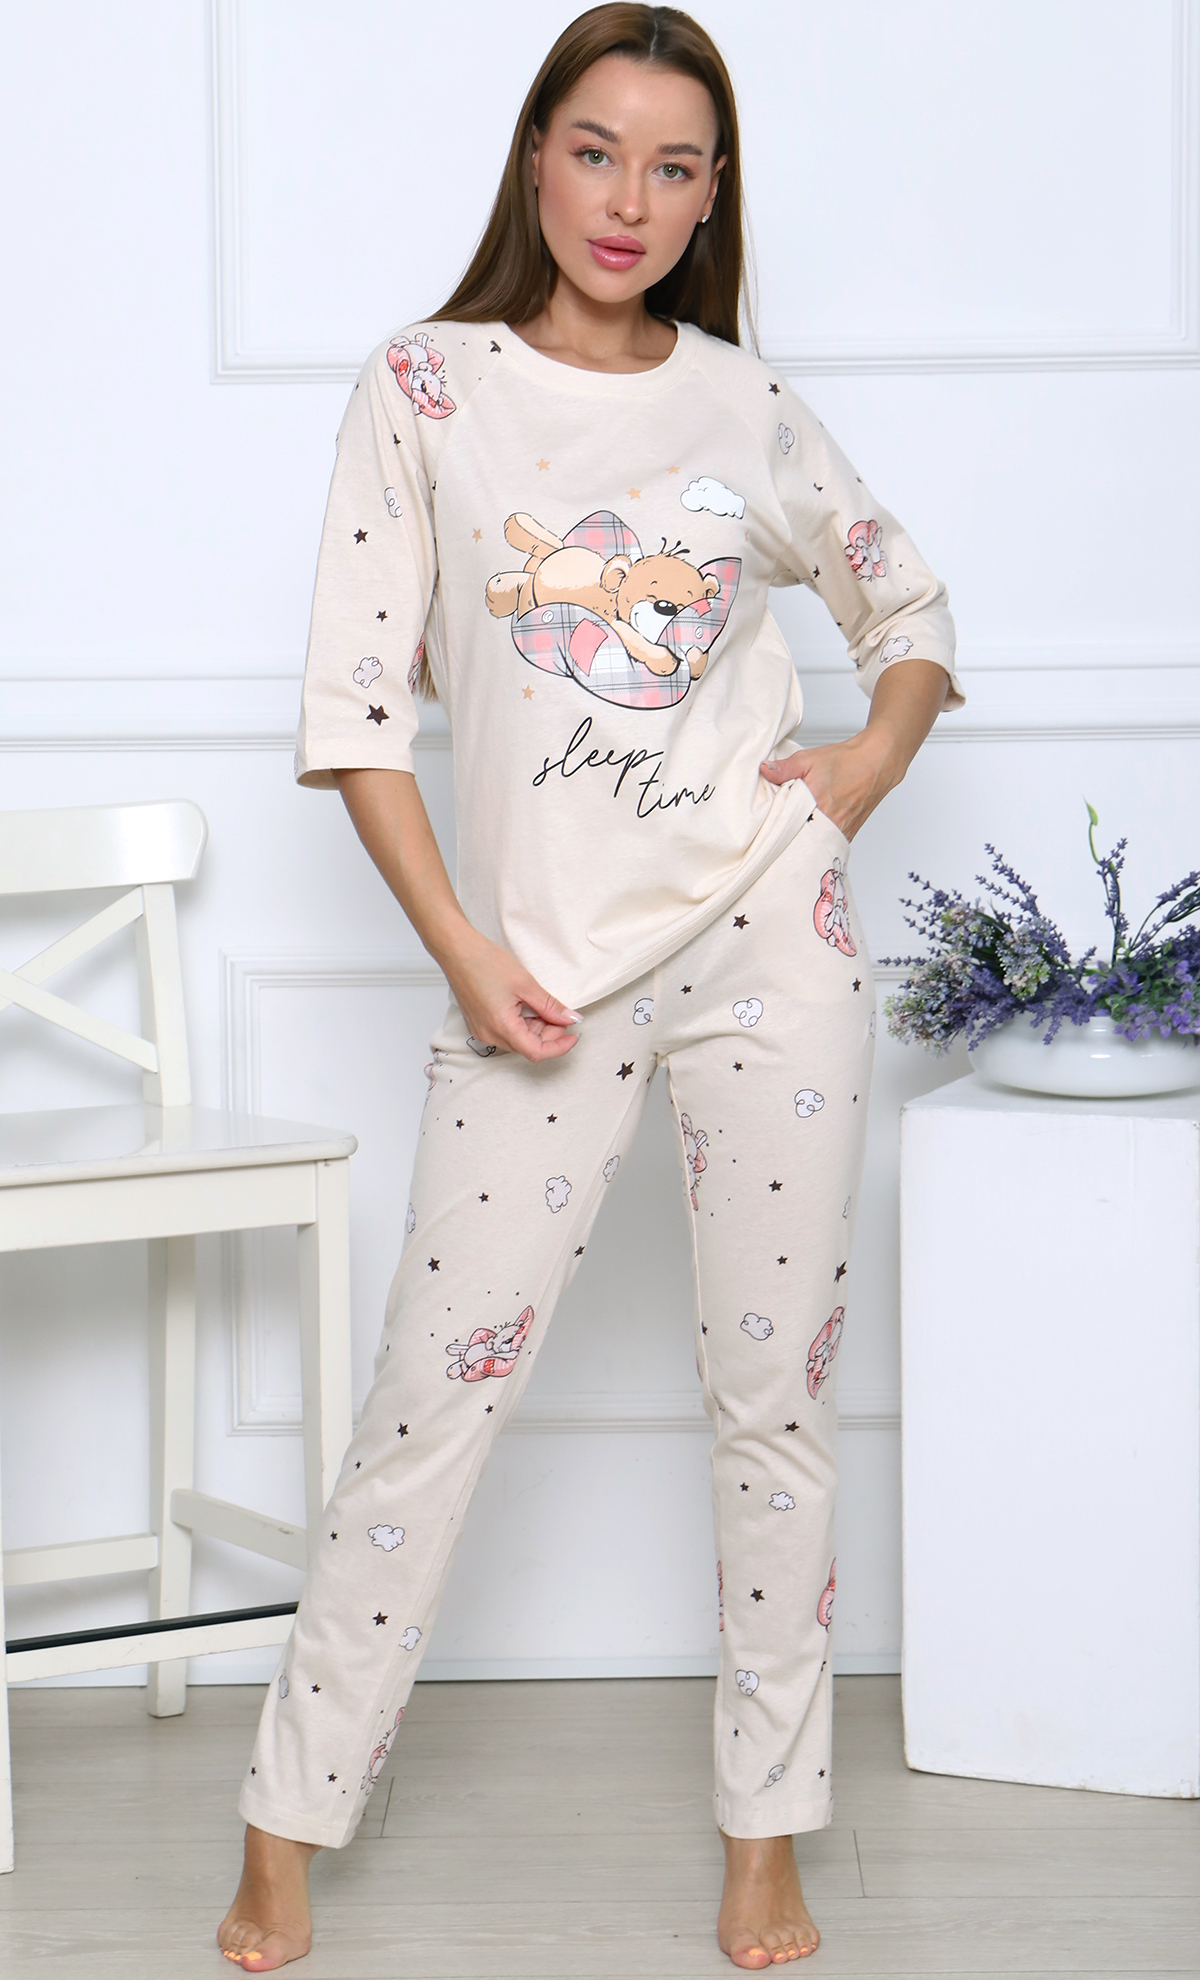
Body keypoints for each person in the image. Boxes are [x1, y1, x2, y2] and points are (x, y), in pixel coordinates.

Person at [217, 4, 962, 1968]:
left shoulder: (743, 404)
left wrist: (864, 768)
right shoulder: (424, 390)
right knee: (429, 1397)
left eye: (675, 165)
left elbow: (906, 601)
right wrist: (465, 950)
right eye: (599, 149)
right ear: (536, 157)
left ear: (714, 197)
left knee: (771, 1402)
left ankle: (766, 1829)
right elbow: (357, 717)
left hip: (770, 945)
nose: (631, 199)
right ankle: (290, 1811)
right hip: (533, 974)